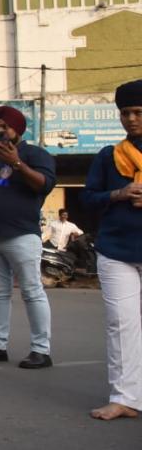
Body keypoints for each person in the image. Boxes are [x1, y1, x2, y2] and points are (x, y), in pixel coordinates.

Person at [0, 105, 56, 369]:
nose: (0, 130)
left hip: (21, 235)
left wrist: (16, 163)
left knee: (32, 291)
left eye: (5, 126)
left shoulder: (36, 154)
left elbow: (44, 184)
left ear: (18, 129)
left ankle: (41, 349)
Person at [81, 80, 142, 421]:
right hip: (116, 250)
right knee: (121, 324)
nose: (130, 119)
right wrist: (117, 195)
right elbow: (88, 199)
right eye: (125, 113)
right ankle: (125, 398)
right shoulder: (108, 156)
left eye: (137, 112)